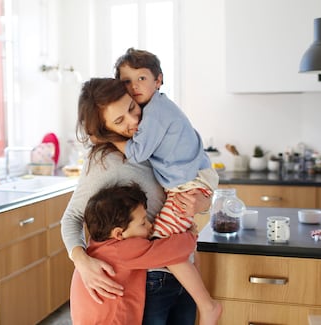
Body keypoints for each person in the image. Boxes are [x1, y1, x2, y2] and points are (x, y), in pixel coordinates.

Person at [61, 78, 214, 324]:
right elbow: (72, 218)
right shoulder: (104, 162)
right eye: (119, 121)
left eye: (132, 107)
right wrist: (82, 261)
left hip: (184, 271)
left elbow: (195, 190)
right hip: (149, 281)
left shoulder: (160, 140)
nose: (134, 121)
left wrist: (203, 204)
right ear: (104, 129)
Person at [113, 47, 220, 238]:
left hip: (188, 185)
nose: (134, 86)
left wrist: (109, 138)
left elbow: (137, 153)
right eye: (126, 81)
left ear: (158, 80)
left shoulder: (155, 112)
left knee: (162, 238)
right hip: (188, 180)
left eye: (142, 78)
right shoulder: (158, 107)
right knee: (178, 238)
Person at [70, 182, 198, 324]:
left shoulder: (95, 245)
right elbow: (170, 250)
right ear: (118, 233)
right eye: (143, 223)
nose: (150, 226)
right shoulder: (122, 250)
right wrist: (191, 235)